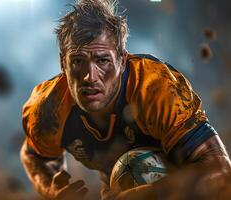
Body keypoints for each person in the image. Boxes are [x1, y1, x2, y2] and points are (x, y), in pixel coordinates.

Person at [20, 0, 231, 199]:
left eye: (102, 61)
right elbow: (34, 155)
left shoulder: (156, 88)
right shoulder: (48, 107)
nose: (90, 77)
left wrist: (150, 194)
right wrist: (52, 190)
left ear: (122, 59)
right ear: (62, 63)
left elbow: (221, 174)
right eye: (77, 61)